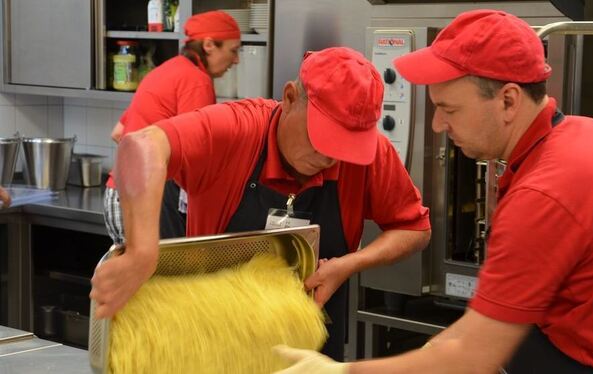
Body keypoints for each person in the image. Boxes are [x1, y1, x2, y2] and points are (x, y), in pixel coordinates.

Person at [272, 9, 593, 374]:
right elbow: (486, 328)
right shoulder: (585, 132)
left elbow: (474, 358)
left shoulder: (543, 196)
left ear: (509, 101)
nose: (437, 125)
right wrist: (434, 354)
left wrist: (339, 371)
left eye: (450, 109)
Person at [90, 46, 432, 360]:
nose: (329, 159)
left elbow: (414, 228)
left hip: (309, 355)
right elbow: (140, 146)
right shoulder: (235, 130)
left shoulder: (371, 158)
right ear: (290, 97)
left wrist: (348, 265)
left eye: (344, 148)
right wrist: (142, 252)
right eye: (323, 139)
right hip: (213, 346)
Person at [104, 10, 241, 244]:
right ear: (209, 45)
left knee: (137, 279)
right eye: (233, 50)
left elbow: (118, 132)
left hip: (118, 195)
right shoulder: (196, 81)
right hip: (143, 203)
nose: (236, 60)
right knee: (156, 279)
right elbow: (197, 158)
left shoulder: (167, 71)